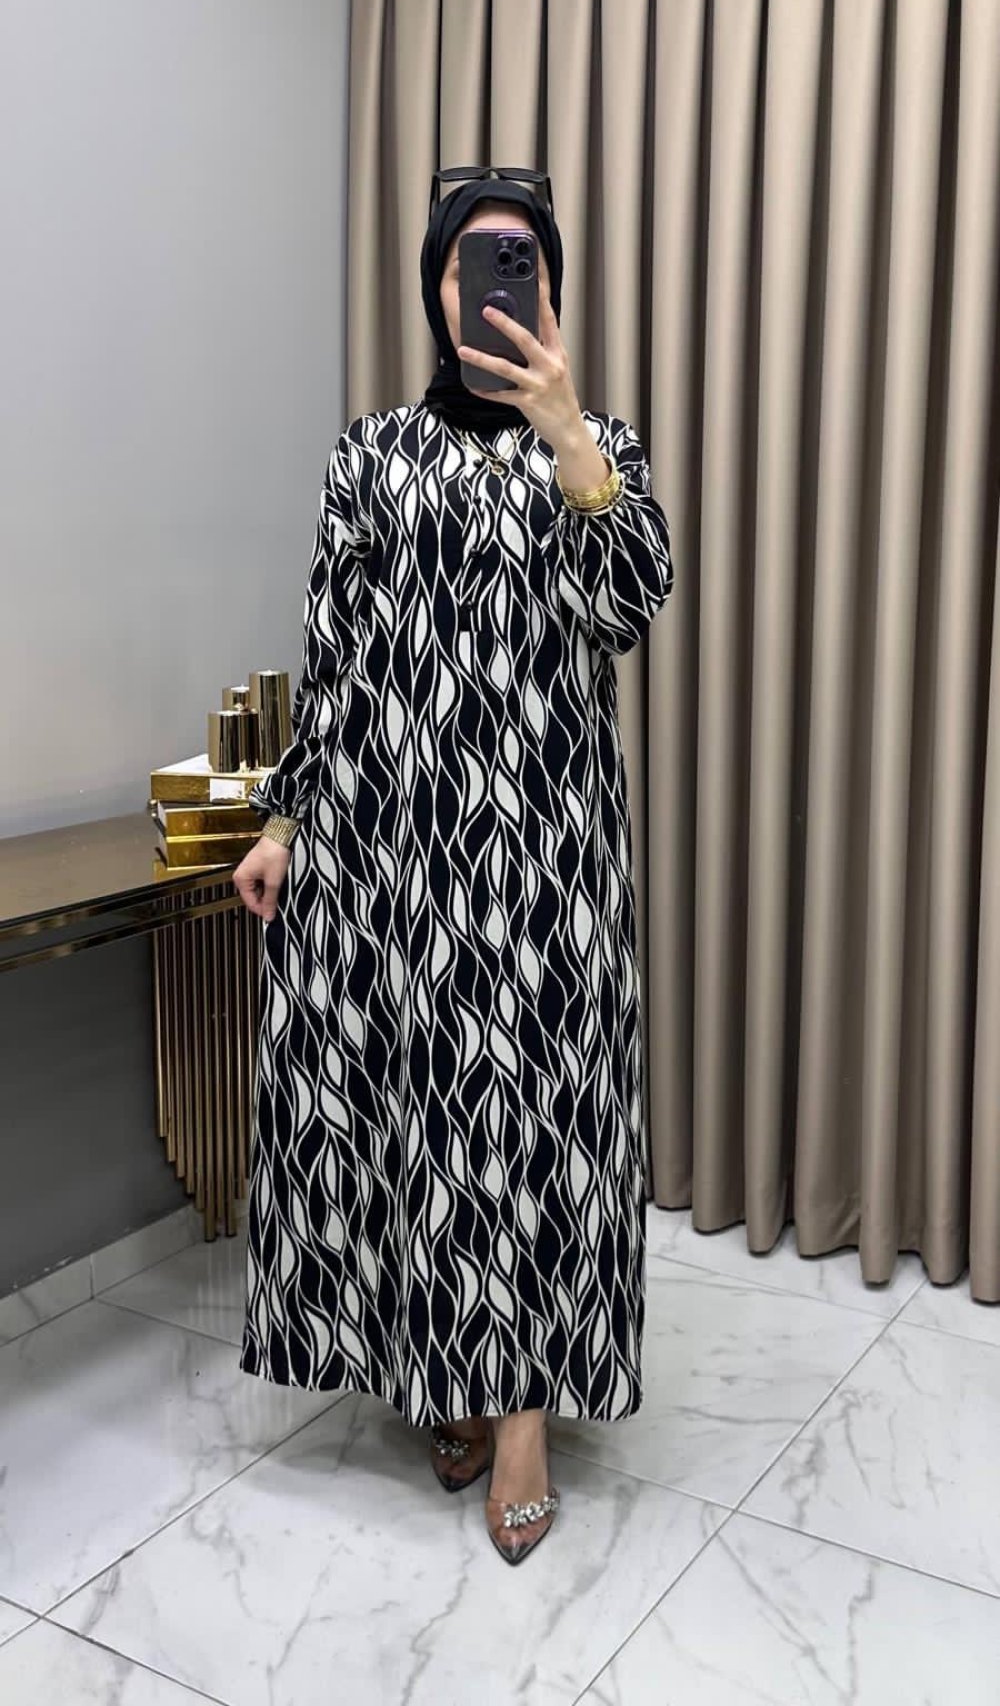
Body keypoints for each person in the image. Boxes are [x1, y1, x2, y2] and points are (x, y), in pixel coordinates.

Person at [233, 170, 674, 1565]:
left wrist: (571, 440)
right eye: (472, 259)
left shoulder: (597, 448)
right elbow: (339, 656)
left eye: (520, 258)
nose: (494, 279)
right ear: (436, 290)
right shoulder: (368, 457)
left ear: (550, 289)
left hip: (546, 857)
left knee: (537, 1120)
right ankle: (451, 1369)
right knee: (428, 1116)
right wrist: (286, 820)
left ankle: (523, 1416)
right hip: (399, 848)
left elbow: (632, 604)